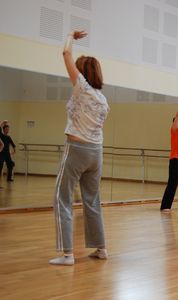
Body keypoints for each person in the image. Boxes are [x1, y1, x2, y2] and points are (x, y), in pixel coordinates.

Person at [49, 30, 110, 266]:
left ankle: (67, 254)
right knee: (92, 200)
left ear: (82, 73)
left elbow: (65, 52)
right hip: (97, 153)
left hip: (77, 149)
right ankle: (101, 248)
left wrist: (70, 37)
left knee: (61, 197)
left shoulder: (82, 87)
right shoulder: (102, 99)